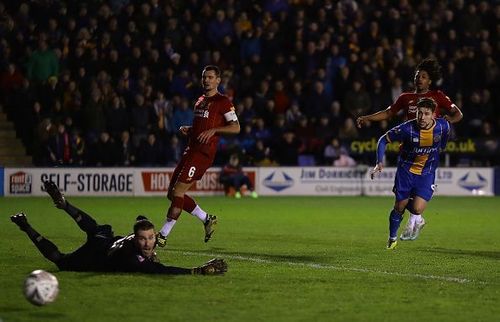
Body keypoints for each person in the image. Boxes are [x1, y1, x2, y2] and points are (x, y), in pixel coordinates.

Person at [10, 180, 227, 275]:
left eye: (151, 238)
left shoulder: (139, 240)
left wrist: (144, 232)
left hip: (105, 240)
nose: (149, 242)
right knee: (60, 260)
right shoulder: (134, 260)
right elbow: (163, 271)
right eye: (144, 239)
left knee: (95, 228)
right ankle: (26, 225)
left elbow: (141, 220)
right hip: (98, 257)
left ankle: (64, 205)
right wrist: (197, 271)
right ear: (135, 239)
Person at [357, 58, 463, 238]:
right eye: (417, 76)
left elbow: (458, 114)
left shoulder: (438, 96)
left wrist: (447, 122)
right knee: (402, 200)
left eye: (423, 76)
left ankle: (416, 216)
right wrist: (367, 117)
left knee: (414, 204)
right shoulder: (406, 97)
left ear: (430, 80)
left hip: (427, 154)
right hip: (408, 151)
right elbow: (389, 113)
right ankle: (416, 218)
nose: (419, 79)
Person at [157, 65, 240, 247]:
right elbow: (202, 126)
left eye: (210, 77)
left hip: (203, 154)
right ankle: (206, 218)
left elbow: (236, 127)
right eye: (204, 77)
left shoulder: (223, 101)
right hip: (190, 150)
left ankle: (162, 234)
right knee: (172, 194)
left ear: (218, 80)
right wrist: (191, 129)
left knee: (178, 192)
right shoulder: (200, 100)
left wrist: (214, 130)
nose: (206, 80)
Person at [370, 98, 450, 249]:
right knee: (400, 206)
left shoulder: (443, 126)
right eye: (419, 113)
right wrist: (379, 162)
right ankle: (392, 238)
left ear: (434, 114)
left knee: (417, 209)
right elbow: (382, 140)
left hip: (427, 172)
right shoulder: (407, 129)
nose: (422, 117)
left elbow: (444, 142)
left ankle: (418, 219)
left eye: (426, 114)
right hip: (406, 171)